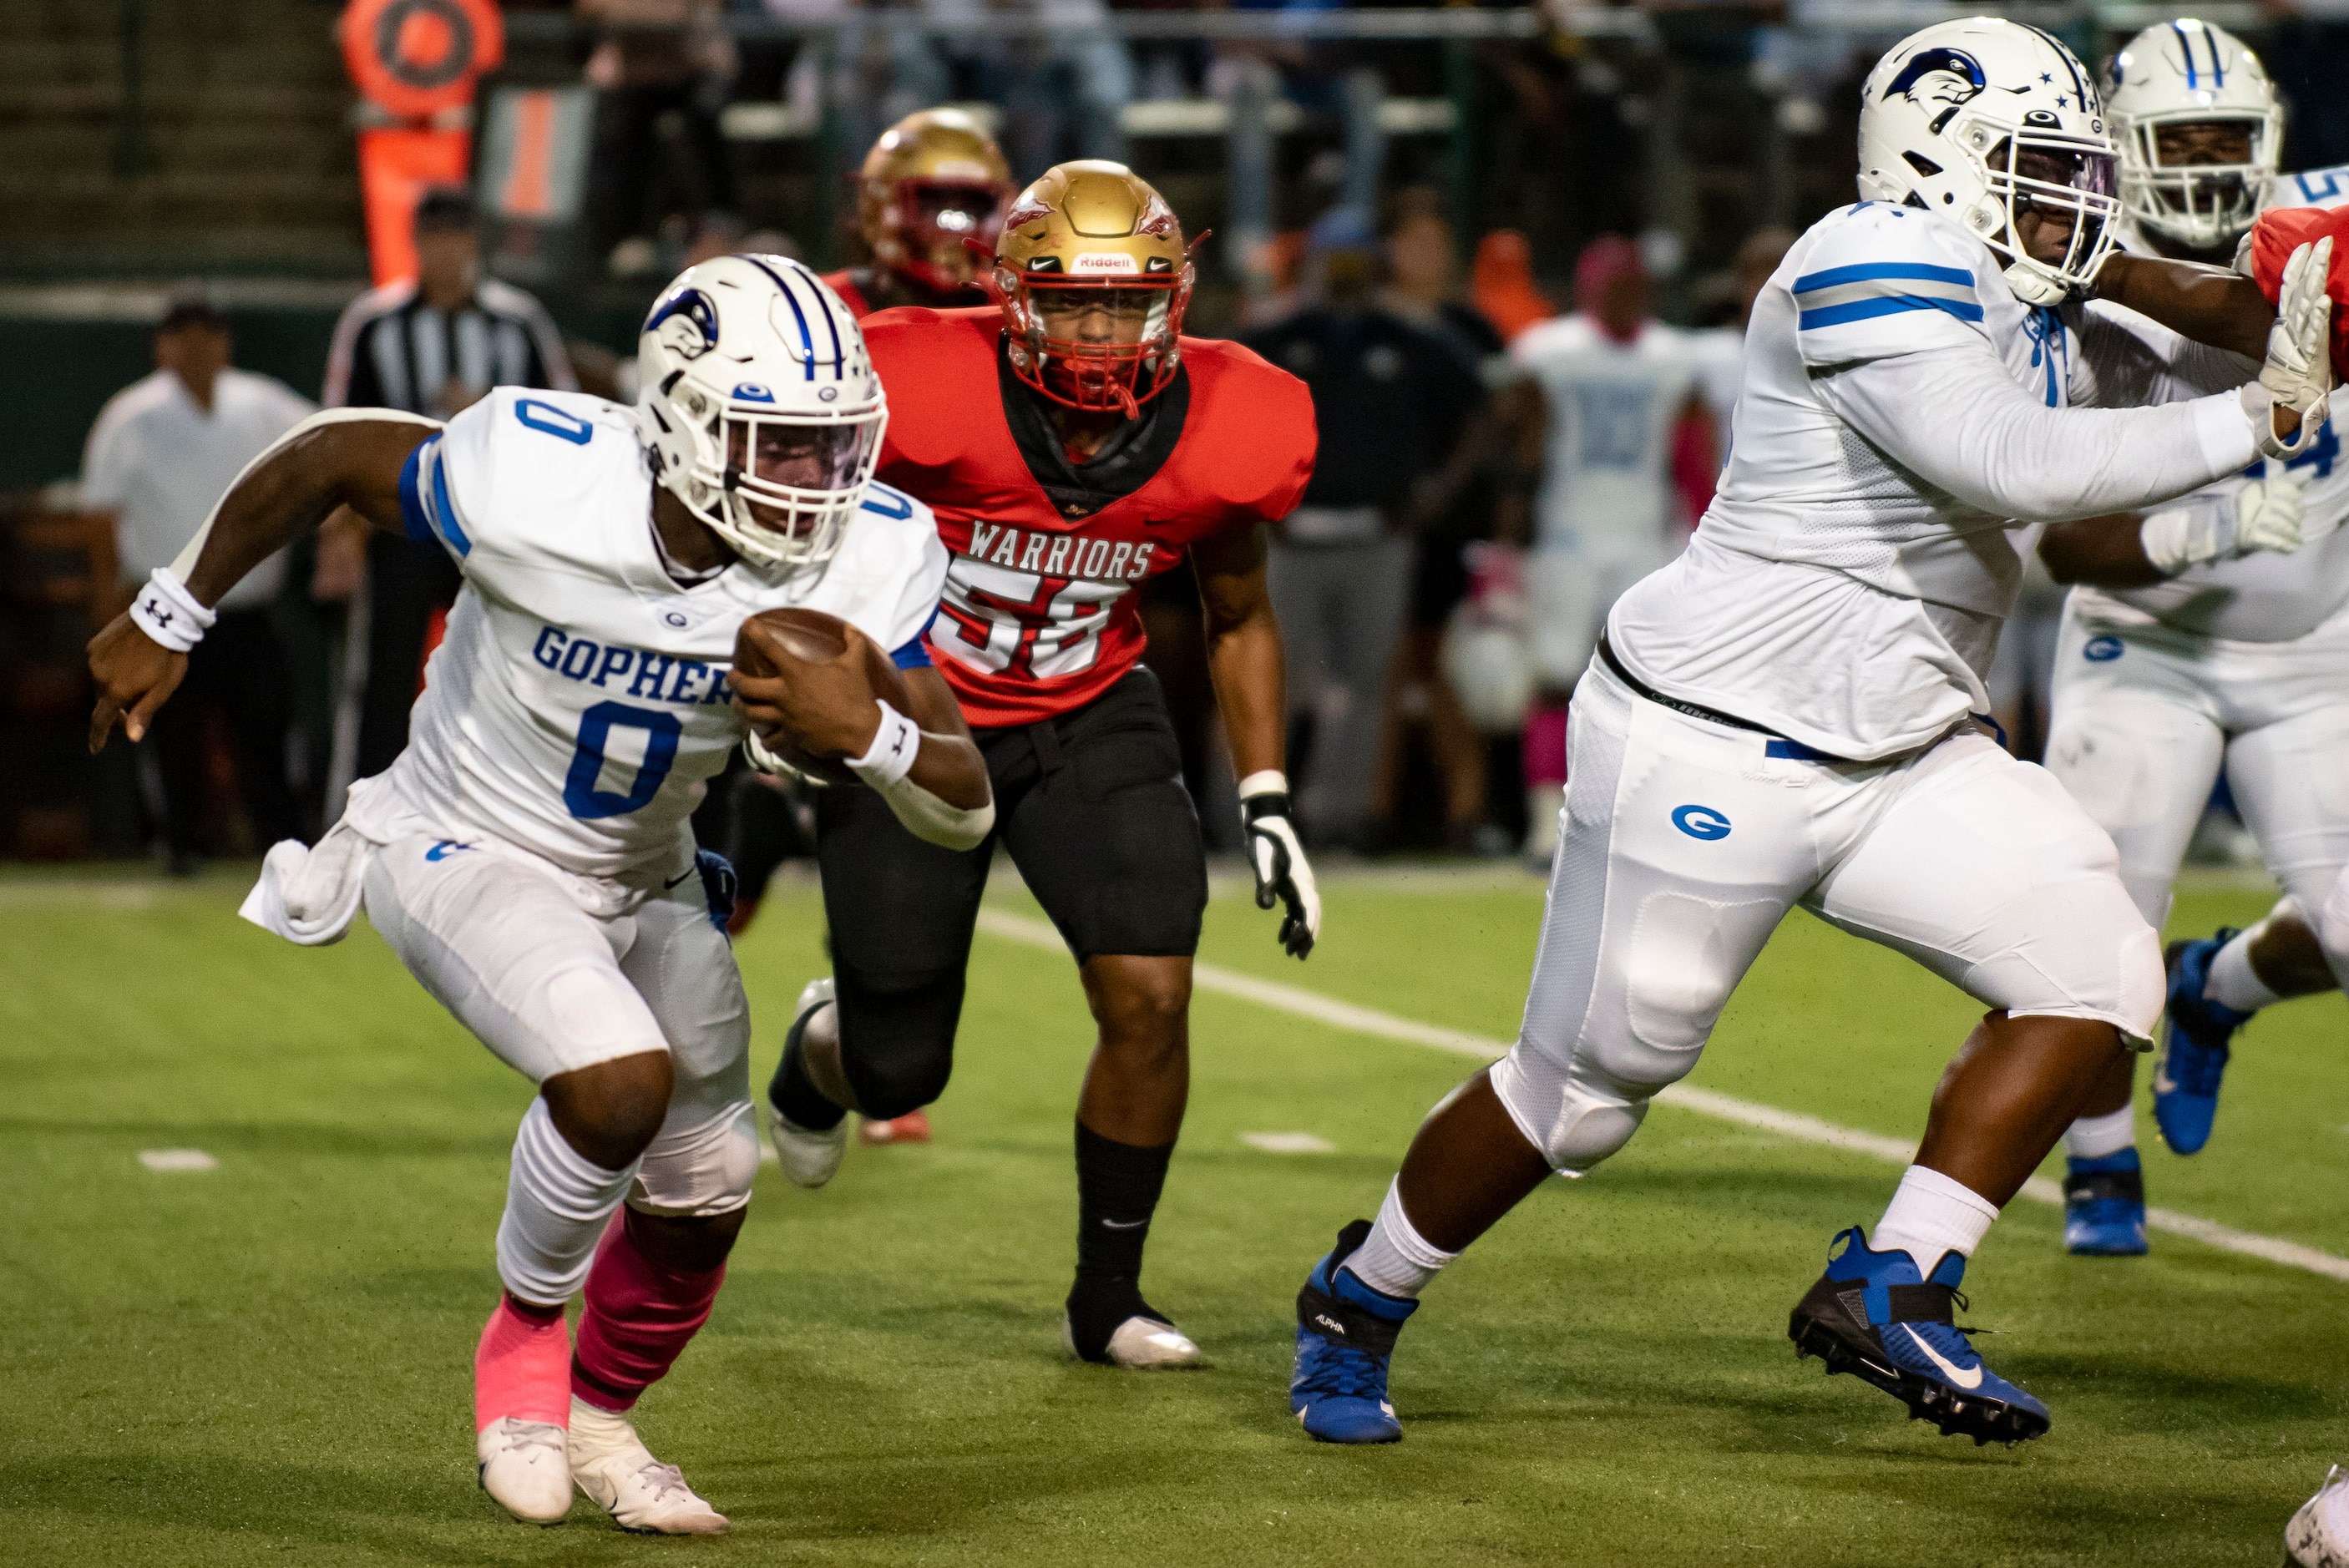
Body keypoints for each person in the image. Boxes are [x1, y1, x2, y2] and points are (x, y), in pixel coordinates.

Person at [1282, 16, 2335, 1448]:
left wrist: (2292, 298)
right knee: (1588, 1093)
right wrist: (2271, 405)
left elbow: (2183, 311)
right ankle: (1358, 1294)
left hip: (1905, 749)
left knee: (2098, 965)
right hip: (1708, 736)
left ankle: (1894, 1280)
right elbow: (2008, 462)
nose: (2072, 200)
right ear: (1938, 162)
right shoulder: (1865, 255)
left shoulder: (2041, 269)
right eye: (2041, 169)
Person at [86, 255, 990, 1530]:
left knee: (710, 1182)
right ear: (679, 419)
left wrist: (878, 738)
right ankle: (523, 1344)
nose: (816, 484)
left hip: (650, 872)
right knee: (617, 1080)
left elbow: (965, 803)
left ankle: (603, 1418)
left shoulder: (870, 555)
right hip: (460, 836)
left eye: (835, 448)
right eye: (778, 446)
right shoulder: (537, 471)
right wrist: (171, 611)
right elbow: (334, 453)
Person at [763, 160, 1322, 1369]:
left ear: (1176, 297)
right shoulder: (907, 372)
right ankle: (821, 1056)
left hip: (1087, 710)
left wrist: (1265, 792)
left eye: (1129, 303)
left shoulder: (1238, 416)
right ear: (1010, 294)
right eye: (1073, 301)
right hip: (913, 718)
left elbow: (1236, 614)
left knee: (1152, 996)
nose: (1101, 330)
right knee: (897, 1063)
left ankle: (1107, 1295)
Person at [2030, 18, 2349, 1257]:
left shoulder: (2314, 221)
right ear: (2127, 146)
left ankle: (2217, 989)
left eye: (2230, 137)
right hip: (2143, 644)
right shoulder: (2056, 287)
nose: (2212, 162)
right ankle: (2098, 1158)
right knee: (2098, 940)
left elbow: (2256, 305)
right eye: (2184, 139)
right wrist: (2205, 532)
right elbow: (2060, 544)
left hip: (2319, 640)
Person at [320, 185, 577, 815]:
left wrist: (485, 412)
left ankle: (512, 808)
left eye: (455, 237)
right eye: (433, 238)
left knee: (511, 672)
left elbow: (565, 419)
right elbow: (340, 426)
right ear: (417, 244)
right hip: (402, 524)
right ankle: (367, 810)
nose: (444, 252)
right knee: (384, 676)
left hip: (494, 530)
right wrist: (341, 532)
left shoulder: (516, 321)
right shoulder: (376, 321)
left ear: (472, 244)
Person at [1241, 205, 1489, 849]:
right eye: (1335, 260)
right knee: (1278, 680)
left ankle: (1337, 819)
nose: (1346, 274)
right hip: (1293, 535)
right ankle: (1243, 813)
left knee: (1365, 686)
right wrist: (1254, 500)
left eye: (1357, 261)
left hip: (1378, 534)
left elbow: (1479, 406)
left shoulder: (1408, 339)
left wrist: (1436, 489)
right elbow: (1224, 416)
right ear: (1315, 264)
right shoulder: (1276, 337)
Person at [79, 291, 315, 872]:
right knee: (172, 732)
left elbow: (325, 449)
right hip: (164, 605)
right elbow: (100, 513)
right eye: (182, 335)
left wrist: (341, 535)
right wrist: (107, 595)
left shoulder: (259, 402)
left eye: (207, 334)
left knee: (266, 727)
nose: (196, 347)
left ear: (224, 343)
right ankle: (181, 844)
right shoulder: (131, 415)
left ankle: (281, 845)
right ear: (162, 347)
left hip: (248, 605)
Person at [1504, 235, 1713, 867]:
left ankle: (1636, 818)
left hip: (1644, 537)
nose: (1621, 295)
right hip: (1566, 536)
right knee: (1553, 677)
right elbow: (1524, 449)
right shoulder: (1552, 352)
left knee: (1647, 687)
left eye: (1631, 284)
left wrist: (1703, 533)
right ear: (1587, 287)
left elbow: (1691, 456)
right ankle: (1545, 824)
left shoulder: (1671, 357)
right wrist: (1509, 543)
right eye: (1610, 282)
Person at [1367, 191, 1508, 851]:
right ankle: (1374, 814)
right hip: (1381, 525)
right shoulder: (1362, 324)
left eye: (1437, 243)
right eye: (1414, 241)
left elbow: (1498, 420)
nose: (1428, 256)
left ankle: (1465, 813)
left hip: (1452, 529)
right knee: (1384, 672)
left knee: (1455, 671)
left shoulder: (1470, 329)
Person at [823, 108, 1015, 319]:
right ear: (880, 201)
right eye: (932, 201)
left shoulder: (1013, 308)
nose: (955, 222)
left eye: (974, 203)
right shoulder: (822, 307)